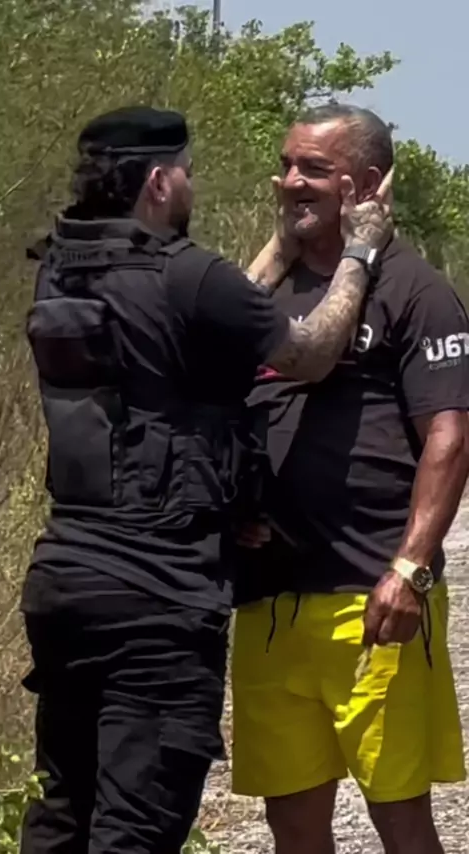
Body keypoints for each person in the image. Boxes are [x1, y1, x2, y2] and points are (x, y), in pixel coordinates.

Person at [19, 104, 392, 854]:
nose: (192, 184)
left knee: (64, 814)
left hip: (64, 585)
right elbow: (309, 351)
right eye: (187, 173)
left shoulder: (63, 269)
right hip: (155, 599)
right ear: (160, 182)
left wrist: (280, 245)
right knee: (136, 830)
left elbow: (210, 316)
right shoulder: (185, 273)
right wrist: (360, 251)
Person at [231, 103, 469, 854]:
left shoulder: (416, 290)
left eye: (313, 168)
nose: (290, 181)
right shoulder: (265, 289)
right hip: (269, 601)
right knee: (291, 822)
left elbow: (450, 438)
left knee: (398, 816)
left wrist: (409, 569)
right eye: (286, 165)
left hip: (370, 596)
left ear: (365, 184)